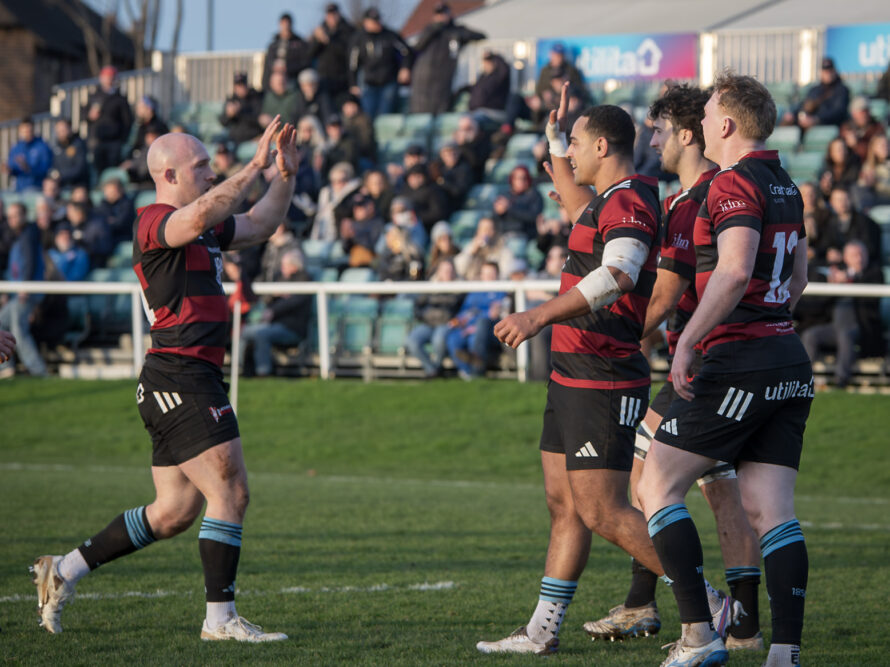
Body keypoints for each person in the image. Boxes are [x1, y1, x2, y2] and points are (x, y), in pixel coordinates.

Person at [477, 87, 734, 657]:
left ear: (601, 146)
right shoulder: (609, 198)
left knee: (604, 509)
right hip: (574, 369)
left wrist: (538, 315)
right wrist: (553, 140)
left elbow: (619, 273)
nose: (569, 153)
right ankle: (541, 631)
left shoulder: (631, 200)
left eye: (575, 143)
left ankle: (711, 603)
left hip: (604, 372)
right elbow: (576, 203)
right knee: (565, 505)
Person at [29, 117, 299, 641]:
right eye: (201, 166)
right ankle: (219, 620)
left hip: (182, 377)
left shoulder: (204, 225)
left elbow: (260, 224)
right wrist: (253, 167)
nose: (210, 172)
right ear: (169, 175)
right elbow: (197, 215)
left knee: (174, 512)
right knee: (231, 491)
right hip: (180, 375)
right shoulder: (155, 220)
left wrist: (284, 175)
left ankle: (63, 570)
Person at [636, 73, 813, 667]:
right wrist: (770, 322)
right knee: (771, 511)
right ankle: (782, 652)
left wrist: (689, 340)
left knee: (656, 486)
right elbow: (797, 279)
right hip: (787, 358)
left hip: (739, 361)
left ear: (728, 125)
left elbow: (735, 271)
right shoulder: (786, 183)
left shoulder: (732, 182)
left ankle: (700, 635)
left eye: (709, 114)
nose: (704, 122)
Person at [582, 84, 763, 650]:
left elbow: (664, 294)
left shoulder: (696, 199)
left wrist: (623, 339)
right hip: (719, 359)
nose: (652, 140)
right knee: (721, 488)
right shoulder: (696, 195)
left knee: (648, 484)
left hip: (706, 362)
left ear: (688, 134)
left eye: (659, 130)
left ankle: (689, 611)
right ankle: (740, 623)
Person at [802, 240, 884, 388]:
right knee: (810, 335)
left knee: (845, 335)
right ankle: (804, 379)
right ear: (845, 258)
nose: (859, 258)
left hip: (861, 328)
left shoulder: (875, 272)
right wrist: (832, 285)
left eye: (862, 254)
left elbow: (871, 301)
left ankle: (841, 380)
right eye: (854, 255)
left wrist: (849, 280)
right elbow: (821, 303)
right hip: (835, 326)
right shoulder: (836, 272)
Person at [239, 249, 313, 377]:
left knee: (262, 334)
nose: (282, 268)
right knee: (243, 331)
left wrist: (273, 310)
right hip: (274, 324)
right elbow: (269, 300)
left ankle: (263, 372)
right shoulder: (280, 278)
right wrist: (273, 296)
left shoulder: (304, 279)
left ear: (294, 266)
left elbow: (293, 303)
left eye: (285, 265)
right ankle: (240, 369)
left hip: (292, 327)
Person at [409, 3, 485, 114]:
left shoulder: (456, 30)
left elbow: (480, 35)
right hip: (426, 74)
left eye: (443, 14)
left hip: (445, 73)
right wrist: (436, 27)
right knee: (422, 105)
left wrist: (459, 37)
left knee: (441, 104)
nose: (441, 17)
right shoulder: (430, 29)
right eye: (438, 14)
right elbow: (418, 46)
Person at [0, 202, 47, 377]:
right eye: (10, 216)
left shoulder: (28, 235)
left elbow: (29, 263)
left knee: (18, 329)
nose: (12, 220)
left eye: (15, 216)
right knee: (3, 323)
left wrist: (24, 288)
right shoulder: (18, 236)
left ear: (24, 216)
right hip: (18, 291)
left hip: (26, 292)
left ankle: (38, 371)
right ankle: (6, 366)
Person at [348, 7, 413, 119]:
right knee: (369, 116)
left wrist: (405, 68)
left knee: (385, 115)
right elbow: (352, 64)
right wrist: (353, 84)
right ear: (366, 22)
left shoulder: (390, 36)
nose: (377, 23)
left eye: (378, 20)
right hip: (369, 84)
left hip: (389, 82)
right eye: (373, 21)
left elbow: (406, 52)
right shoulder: (358, 39)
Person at [445, 260, 505, 380]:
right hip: (468, 327)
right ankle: (467, 373)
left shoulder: (501, 292)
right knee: (453, 338)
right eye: (485, 274)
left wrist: (474, 325)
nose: (488, 277)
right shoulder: (475, 291)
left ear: (497, 275)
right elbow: (466, 311)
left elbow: (493, 315)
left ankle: (477, 373)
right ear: (481, 275)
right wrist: (459, 320)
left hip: (487, 330)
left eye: (491, 274)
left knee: (477, 336)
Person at [405, 258, 463, 377]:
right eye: (444, 270)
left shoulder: (460, 289)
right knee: (411, 340)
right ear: (439, 272)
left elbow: (460, 309)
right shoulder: (430, 286)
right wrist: (423, 316)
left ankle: (438, 367)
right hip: (428, 324)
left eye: (449, 270)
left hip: (446, 324)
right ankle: (432, 369)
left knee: (438, 339)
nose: (447, 273)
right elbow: (418, 305)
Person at [85, 66, 134, 176]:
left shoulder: (120, 99)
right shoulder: (94, 97)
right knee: (97, 171)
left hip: (114, 142)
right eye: (106, 77)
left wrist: (122, 139)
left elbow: (127, 121)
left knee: (112, 171)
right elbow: (84, 116)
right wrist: (89, 116)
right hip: (97, 141)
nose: (108, 80)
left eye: (111, 77)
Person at [308, 3, 356, 105]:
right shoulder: (320, 30)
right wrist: (317, 41)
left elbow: (347, 53)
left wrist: (328, 40)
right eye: (329, 15)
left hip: (343, 79)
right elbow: (310, 54)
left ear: (339, 14)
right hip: (324, 79)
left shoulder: (348, 30)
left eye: (334, 14)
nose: (332, 18)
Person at [784, 56, 850, 129]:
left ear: (834, 71)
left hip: (827, 125)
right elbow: (804, 105)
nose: (828, 73)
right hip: (807, 124)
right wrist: (793, 114)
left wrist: (817, 119)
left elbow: (838, 112)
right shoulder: (814, 90)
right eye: (825, 71)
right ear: (821, 72)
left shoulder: (842, 90)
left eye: (830, 70)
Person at [492, 164, 543, 237]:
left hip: (524, 233)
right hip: (503, 233)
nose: (521, 181)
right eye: (518, 178)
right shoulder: (505, 195)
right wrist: (499, 211)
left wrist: (509, 208)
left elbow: (533, 216)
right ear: (512, 180)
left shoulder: (534, 195)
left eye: (524, 178)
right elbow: (495, 216)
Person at [262, 12, 310, 89]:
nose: (286, 26)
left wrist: (287, 67)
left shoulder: (300, 44)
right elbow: (268, 64)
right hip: (275, 79)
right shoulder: (273, 45)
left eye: (288, 24)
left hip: (292, 78)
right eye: (283, 24)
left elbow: (304, 62)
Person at [4, 118, 53, 192]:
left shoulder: (42, 146)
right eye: (24, 131)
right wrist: (8, 169)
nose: (26, 134)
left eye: (28, 131)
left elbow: (46, 169)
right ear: (20, 131)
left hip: (37, 188)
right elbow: (13, 168)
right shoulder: (16, 148)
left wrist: (28, 168)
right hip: (19, 189)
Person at [220, 73, 264, 145]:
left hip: (252, 138)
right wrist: (229, 115)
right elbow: (223, 122)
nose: (240, 88)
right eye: (238, 86)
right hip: (235, 139)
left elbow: (259, 119)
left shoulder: (255, 98)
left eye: (242, 85)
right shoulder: (231, 100)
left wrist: (240, 112)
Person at [840, 96, 885, 162]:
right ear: (853, 113)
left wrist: (857, 145)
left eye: (867, 111)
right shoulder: (846, 128)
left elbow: (876, 152)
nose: (864, 115)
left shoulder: (877, 127)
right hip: (850, 164)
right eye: (861, 112)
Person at [50, 118, 89, 188]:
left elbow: (79, 169)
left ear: (70, 129)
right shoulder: (56, 147)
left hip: (78, 185)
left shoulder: (78, 145)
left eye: (63, 130)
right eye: (58, 132)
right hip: (61, 185)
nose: (61, 134)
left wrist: (61, 175)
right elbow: (53, 166)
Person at [96, 177, 136, 246]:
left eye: (112, 192)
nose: (109, 194)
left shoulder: (127, 204)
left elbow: (121, 223)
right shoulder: (103, 204)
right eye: (107, 192)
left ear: (120, 190)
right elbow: (99, 220)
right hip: (108, 235)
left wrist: (107, 222)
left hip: (123, 237)